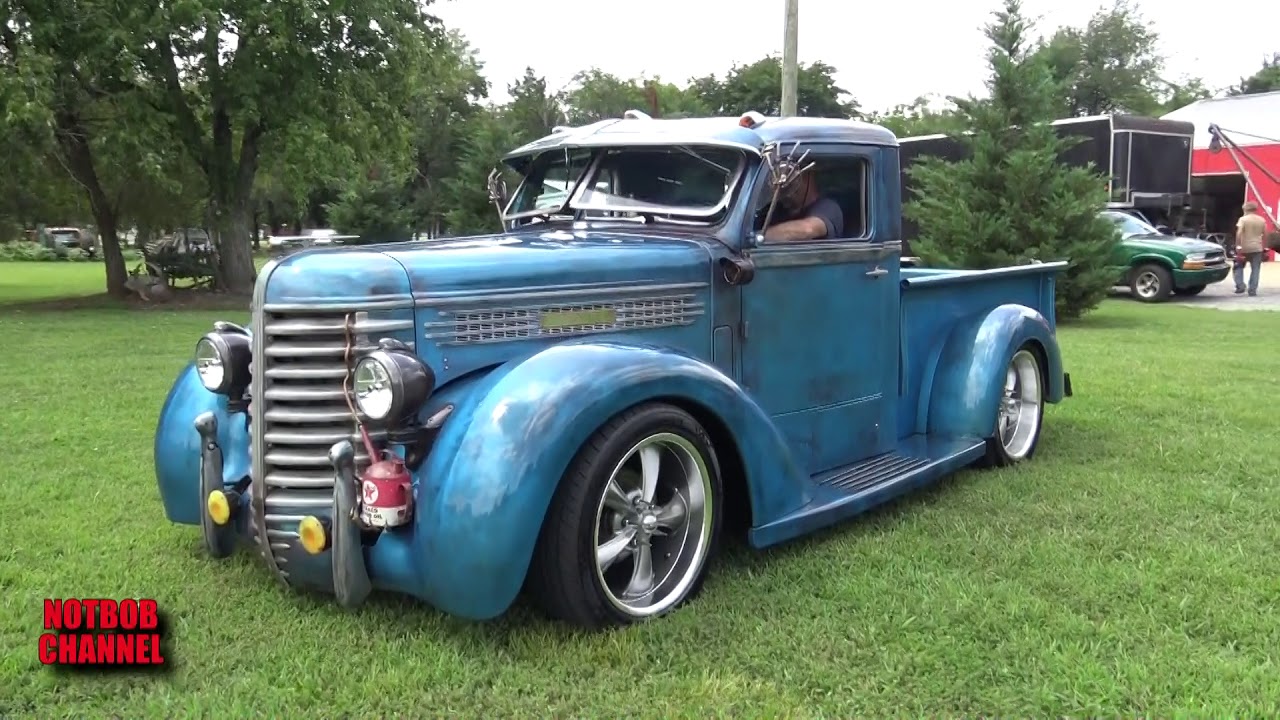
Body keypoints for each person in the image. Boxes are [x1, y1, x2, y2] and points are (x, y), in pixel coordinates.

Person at [763, 172, 844, 242]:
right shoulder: (773, 209)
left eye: (791, 183)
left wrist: (760, 236)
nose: (784, 188)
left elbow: (808, 229)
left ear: (807, 178)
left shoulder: (828, 207)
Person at [1234, 201, 1266, 297]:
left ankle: (1240, 286)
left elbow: (1239, 233)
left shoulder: (1243, 219)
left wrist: (1238, 245)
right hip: (1257, 248)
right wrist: (1265, 246)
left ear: (1245, 209)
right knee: (1255, 269)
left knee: (1238, 267)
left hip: (1244, 247)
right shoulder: (1262, 220)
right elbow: (1265, 234)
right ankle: (1252, 290)